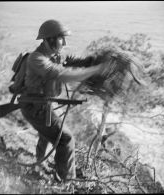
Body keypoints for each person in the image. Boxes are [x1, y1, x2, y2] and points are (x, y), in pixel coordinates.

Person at [20, 19, 105, 182]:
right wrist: (96, 70)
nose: (64, 42)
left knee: (45, 134)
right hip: (34, 107)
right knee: (66, 139)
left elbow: (70, 61)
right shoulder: (36, 59)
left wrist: (90, 61)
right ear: (49, 40)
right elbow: (63, 75)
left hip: (41, 105)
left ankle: (39, 165)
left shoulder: (53, 55)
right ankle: (66, 182)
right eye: (61, 39)